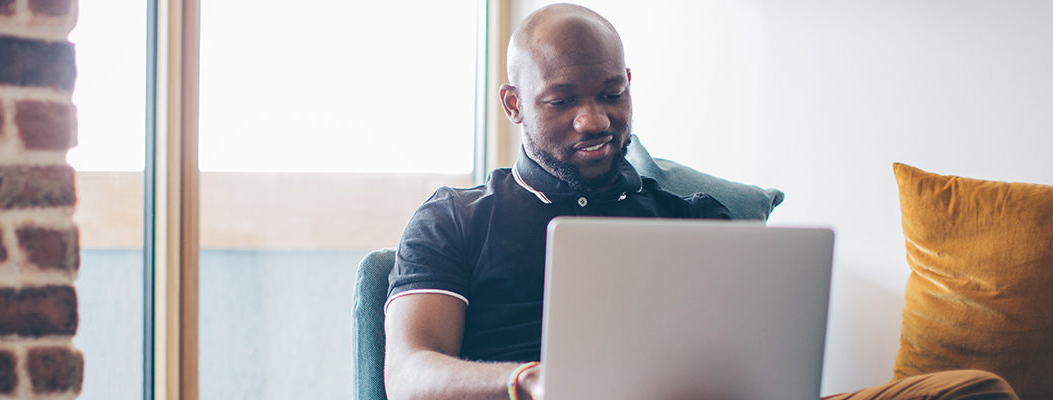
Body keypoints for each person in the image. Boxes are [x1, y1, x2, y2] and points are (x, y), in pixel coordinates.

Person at [382, 3, 1019, 400]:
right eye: (562, 101)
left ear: (629, 84)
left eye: (610, 93)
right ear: (515, 104)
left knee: (971, 388)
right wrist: (529, 381)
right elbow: (409, 375)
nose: (593, 120)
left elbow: (764, 357)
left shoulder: (695, 217)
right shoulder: (455, 219)